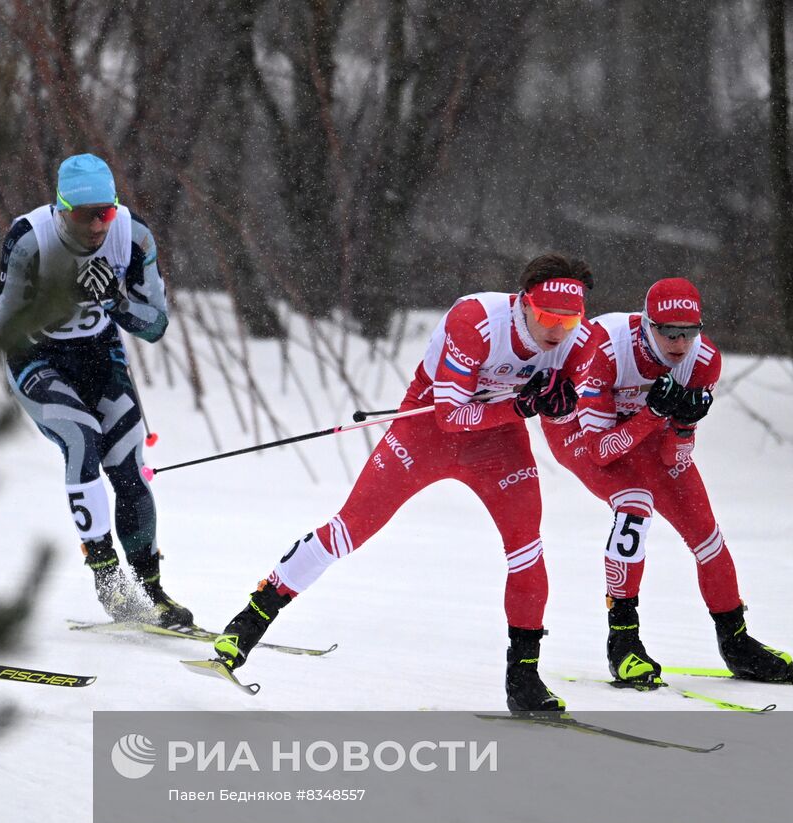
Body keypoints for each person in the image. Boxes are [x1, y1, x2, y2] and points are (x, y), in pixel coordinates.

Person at [210, 254, 596, 711]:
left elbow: (565, 409)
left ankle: (524, 679)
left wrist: (560, 405)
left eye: (570, 319)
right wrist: (522, 406)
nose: (559, 329)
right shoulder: (477, 320)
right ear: (525, 303)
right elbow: (452, 417)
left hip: (497, 444)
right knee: (351, 528)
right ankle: (249, 622)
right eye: (550, 316)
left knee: (526, 545)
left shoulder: (578, 340)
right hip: (428, 427)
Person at [542, 277, 791, 685]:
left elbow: (674, 456)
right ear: (645, 324)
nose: (679, 343)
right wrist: (654, 415)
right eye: (668, 332)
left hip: (643, 432)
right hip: (580, 432)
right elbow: (600, 452)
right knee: (634, 505)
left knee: (705, 533)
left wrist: (684, 426)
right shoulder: (605, 348)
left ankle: (736, 641)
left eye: (689, 332)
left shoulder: (704, 360)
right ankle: (622, 641)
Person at [0, 153, 192, 629]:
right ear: (61, 210)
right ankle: (107, 578)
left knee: (127, 463)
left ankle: (152, 588)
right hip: (38, 358)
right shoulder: (30, 239)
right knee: (83, 437)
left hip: (99, 355)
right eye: (85, 214)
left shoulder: (132, 234)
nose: (98, 224)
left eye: (106, 211)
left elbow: (155, 325)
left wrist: (114, 301)